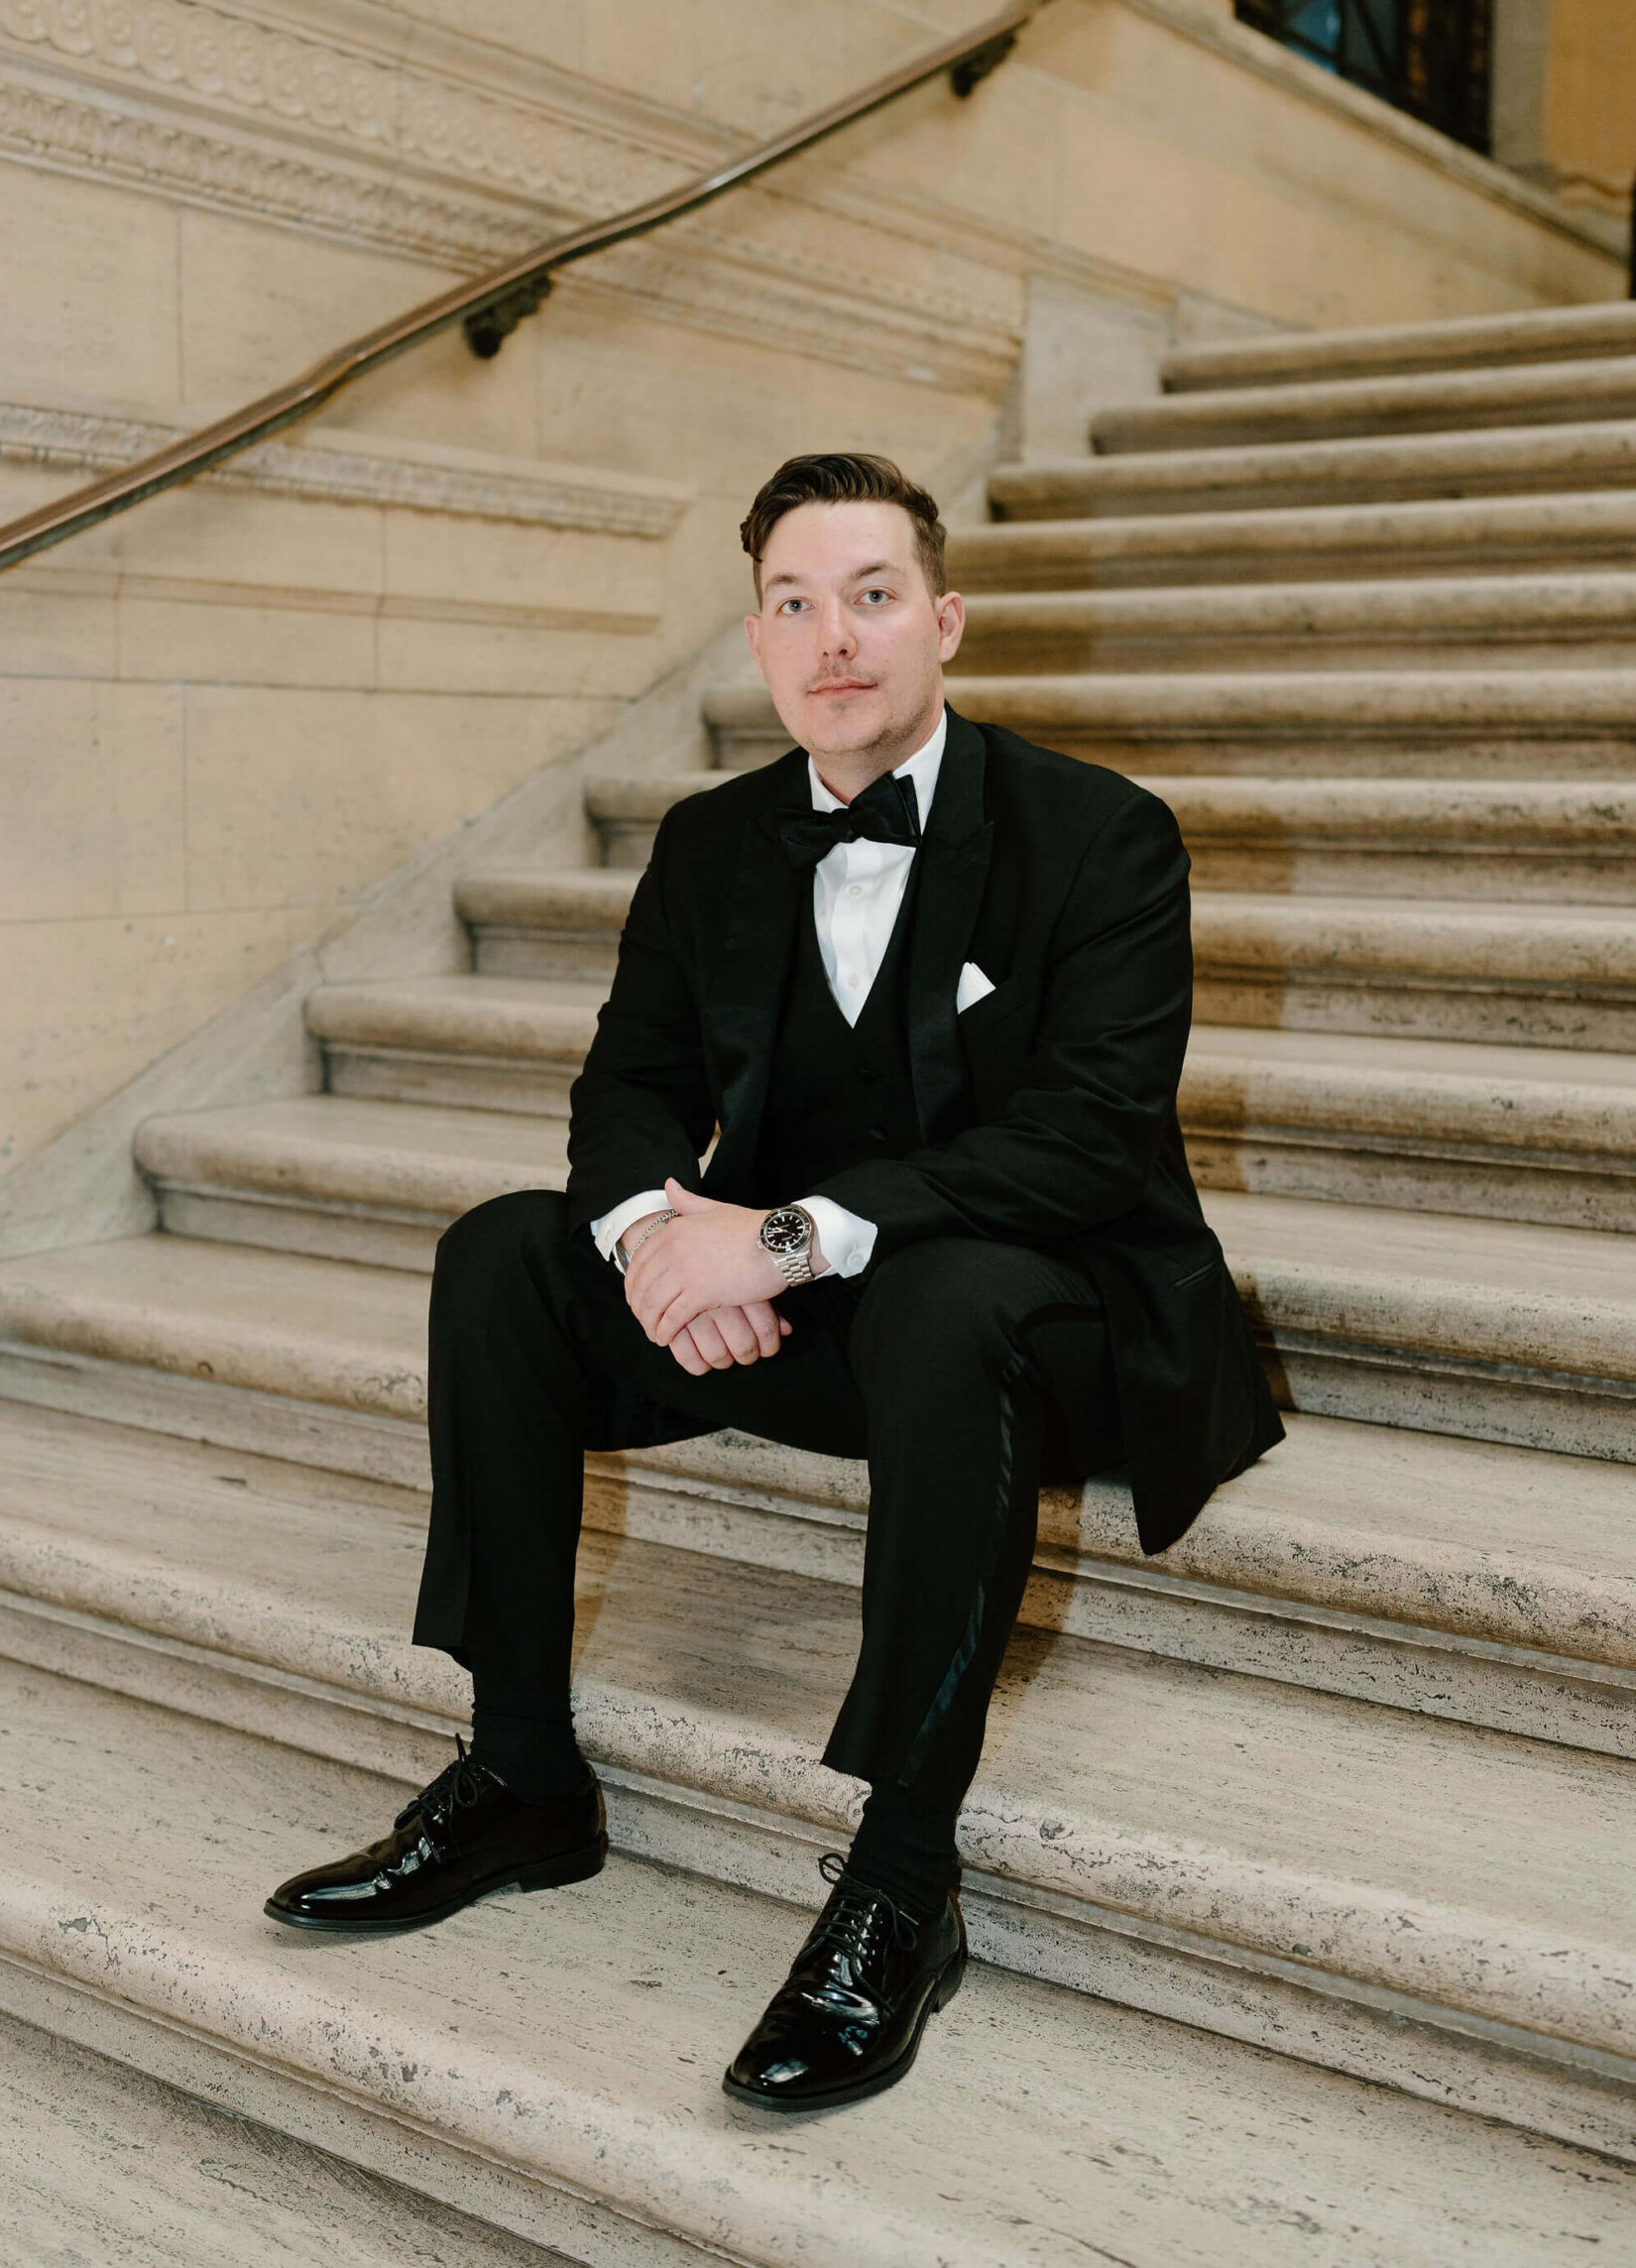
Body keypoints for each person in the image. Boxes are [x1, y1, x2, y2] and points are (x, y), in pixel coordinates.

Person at [265, 450, 1282, 2114]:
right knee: (503, 1253)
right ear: (758, 642)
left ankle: (899, 1883)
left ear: (942, 620)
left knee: (954, 1301)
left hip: (1056, 1320)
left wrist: (785, 1235)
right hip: (825, 1318)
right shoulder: (714, 840)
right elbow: (625, 1091)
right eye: (795, 605)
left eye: (872, 596)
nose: (836, 640)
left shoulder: (1100, 834)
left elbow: (1087, 1144)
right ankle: (522, 1773)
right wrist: (655, 1246)